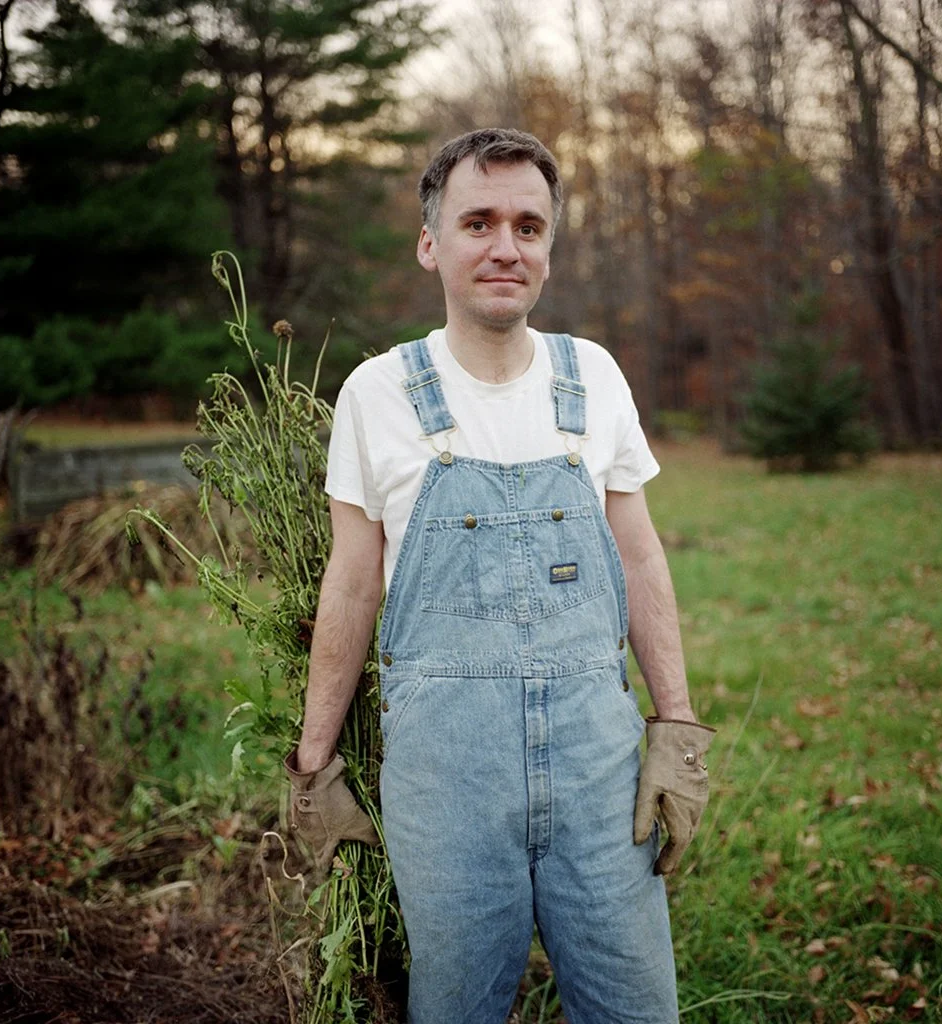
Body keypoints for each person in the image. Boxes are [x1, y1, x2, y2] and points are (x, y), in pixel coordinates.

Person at [285, 128, 715, 1024]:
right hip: (445, 780)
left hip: (600, 769)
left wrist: (675, 728)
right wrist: (313, 762)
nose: (505, 246)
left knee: (638, 1008)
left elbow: (638, 552)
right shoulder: (377, 393)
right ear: (431, 243)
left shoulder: (589, 376)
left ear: (550, 249)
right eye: (478, 222)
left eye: (529, 225)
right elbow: (353, 580)